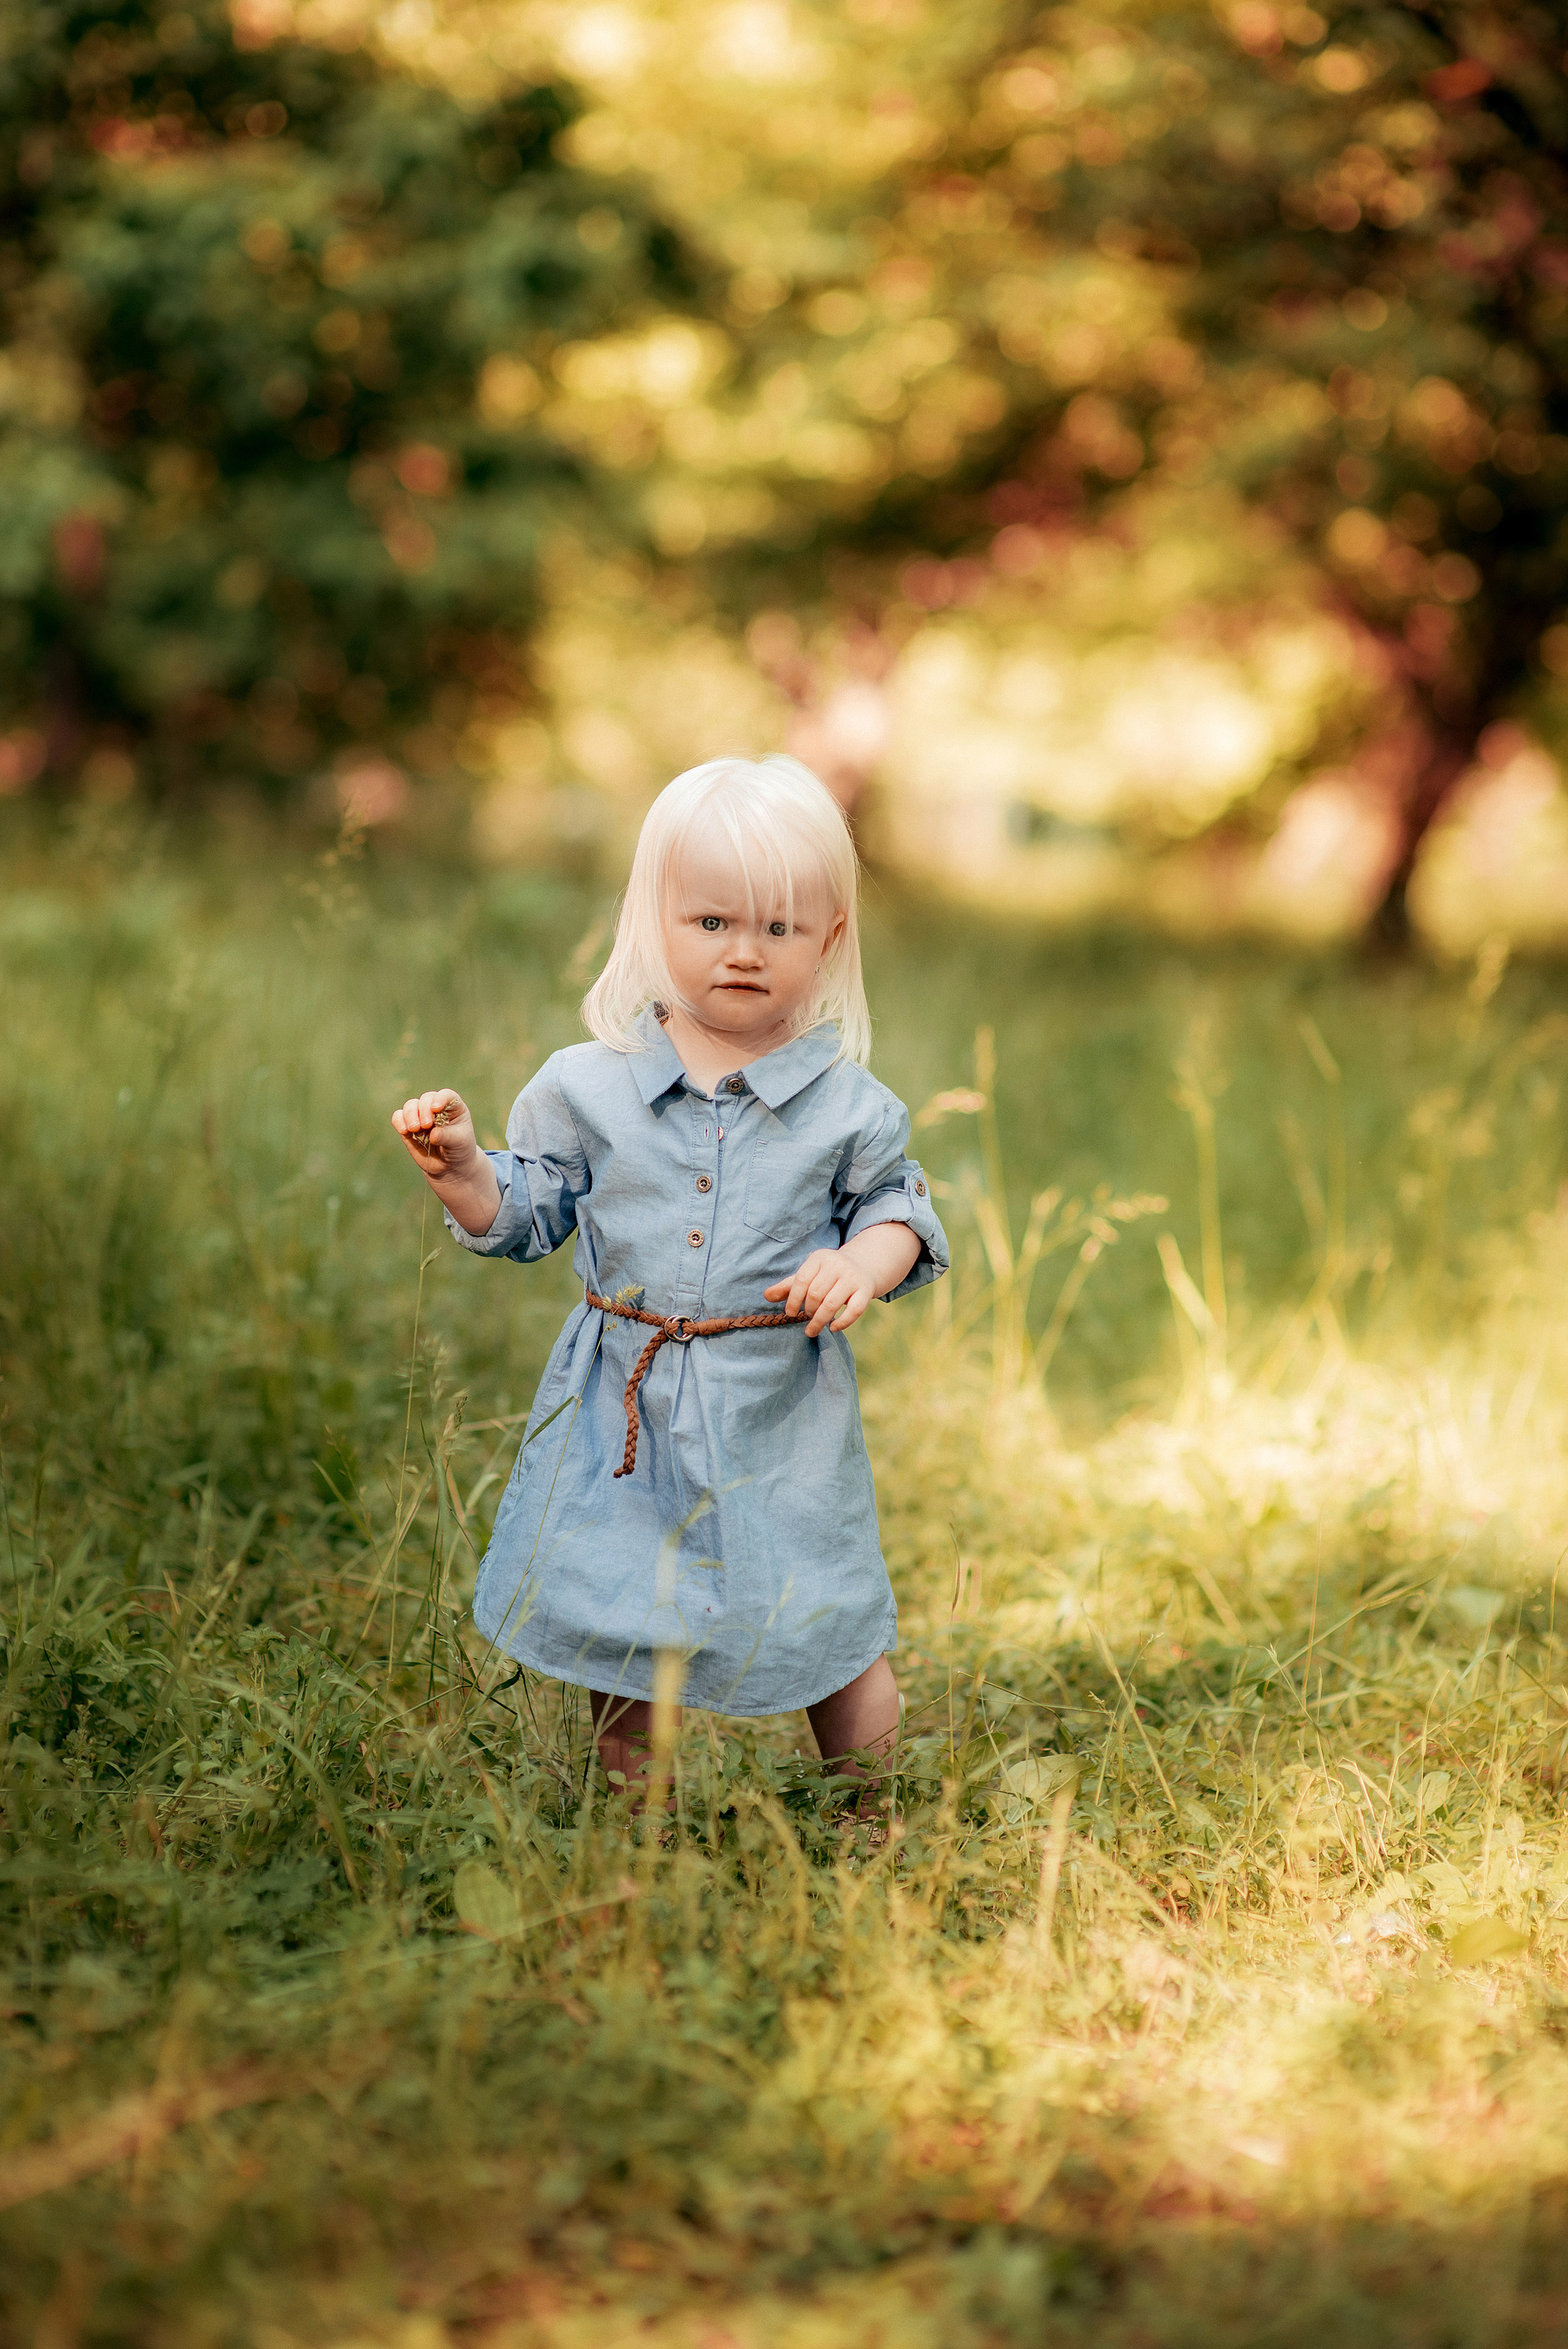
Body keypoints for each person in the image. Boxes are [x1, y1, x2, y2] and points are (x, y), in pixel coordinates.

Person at [391, 752, 948, 1798]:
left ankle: (870, 1811)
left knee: (819, 1609)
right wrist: (466, 1171)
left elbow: (900, 1210)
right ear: (653, 921)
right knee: (624, 1613)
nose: (745, 953)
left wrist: (862, 1264)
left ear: (828, 941)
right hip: (625, 1401)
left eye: (779, 928)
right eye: (712, 924)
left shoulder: (848, 1107)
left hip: (777, 1404)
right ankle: (635, 1817)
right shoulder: (586, 1087)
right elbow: (528, 1211)